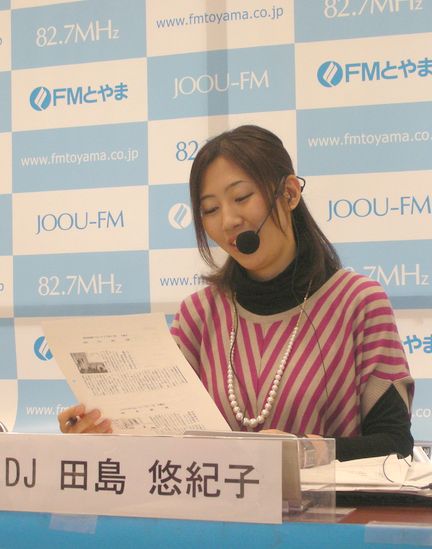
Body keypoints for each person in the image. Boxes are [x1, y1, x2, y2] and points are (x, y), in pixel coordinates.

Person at [58, 125, 414, 462]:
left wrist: (307, 452)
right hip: (213, 505)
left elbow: (395, 445)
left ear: (289, 193)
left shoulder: (358, 302)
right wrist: (99, 433)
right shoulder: (199, 313)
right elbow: (157, 439)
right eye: (210, 209)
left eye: (242, 197)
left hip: (326, 508)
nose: (228, 221)